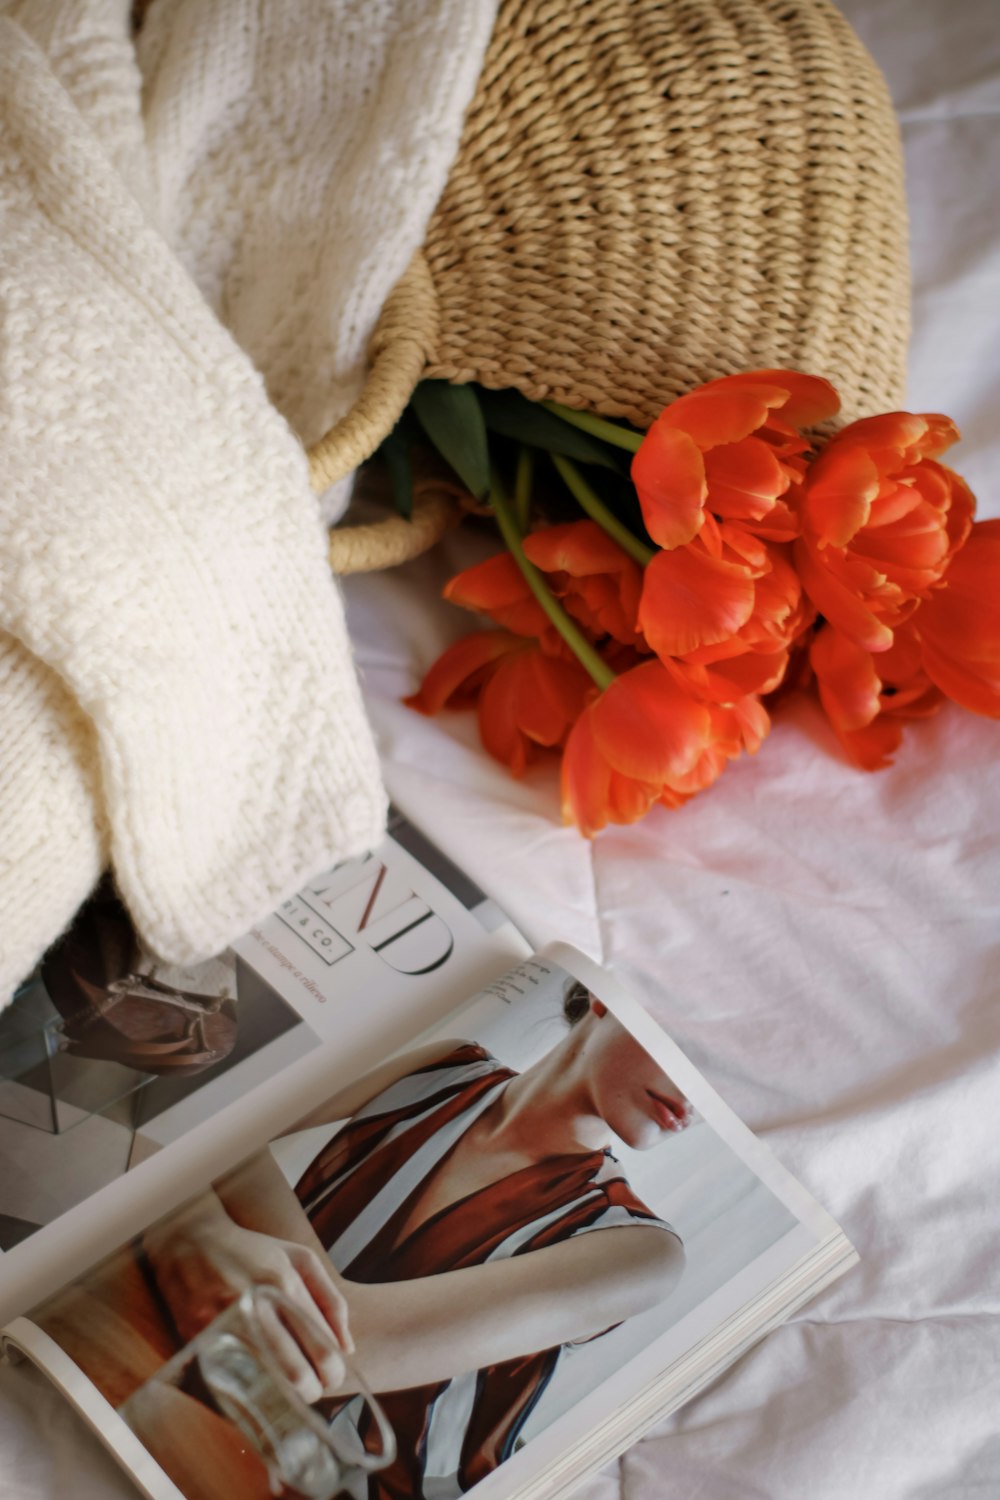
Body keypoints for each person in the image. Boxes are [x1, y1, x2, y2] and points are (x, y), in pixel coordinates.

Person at [37, 983, 690, 1500]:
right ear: (607, 995)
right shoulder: (446, 1066)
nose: (691, 1102)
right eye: (686, 1046)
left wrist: (198, 1221)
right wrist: (203, 1217)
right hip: (201, 1376)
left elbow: (352, 1346)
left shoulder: (640, 1251)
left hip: (346, 1479)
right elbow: (207, 1119)